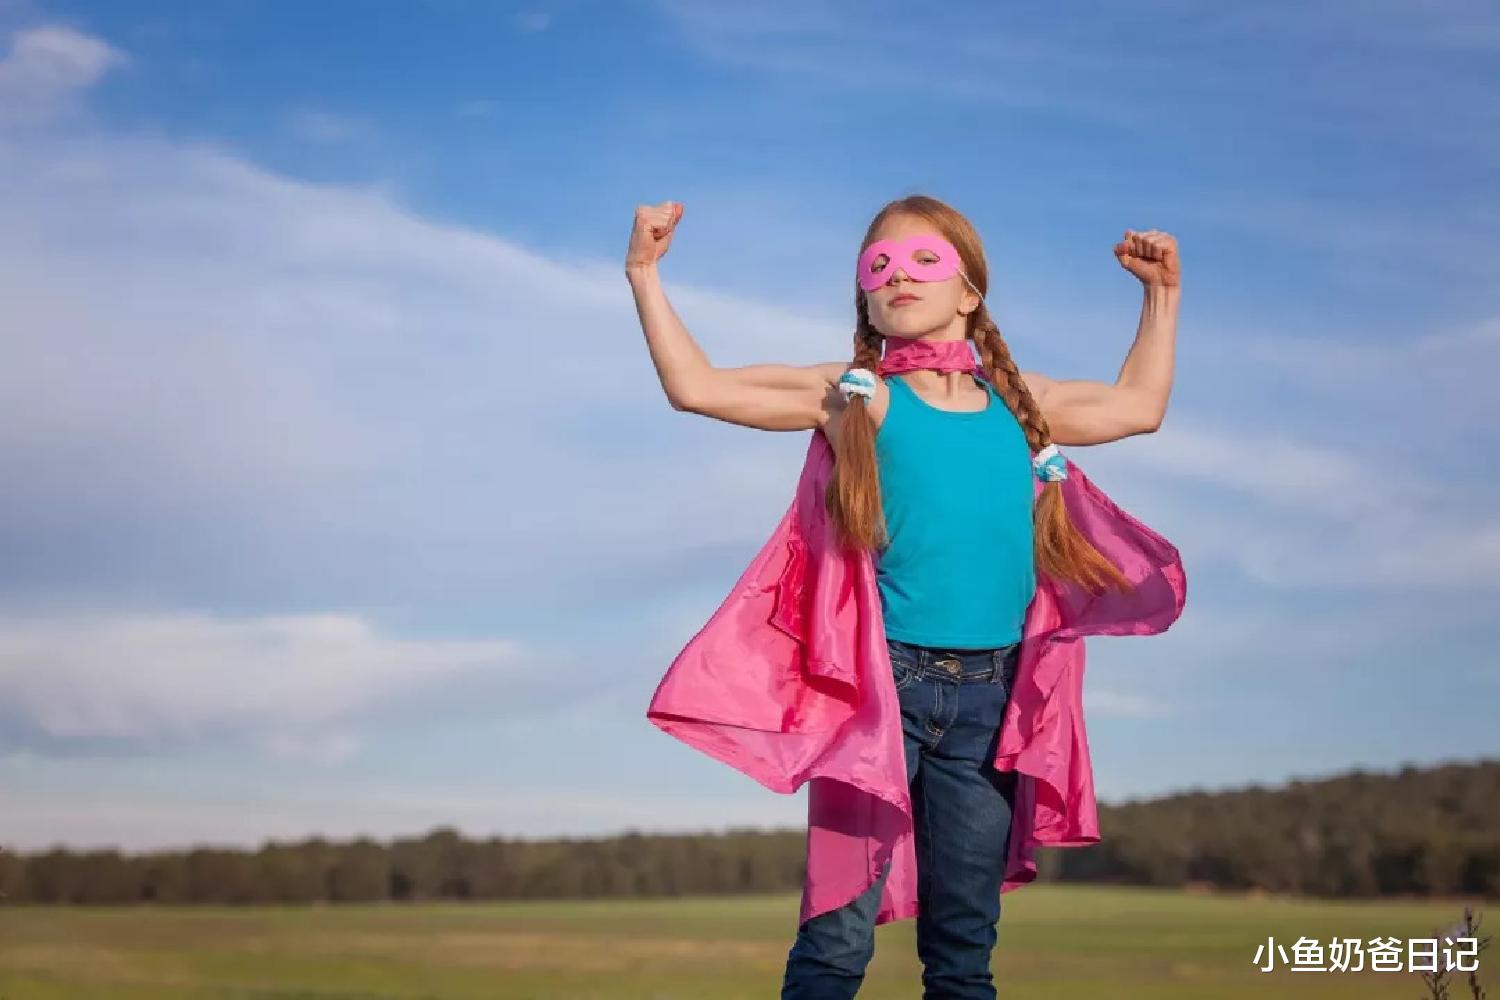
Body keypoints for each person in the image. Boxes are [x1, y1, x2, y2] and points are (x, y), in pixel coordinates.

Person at [625, 193, 1180, 999]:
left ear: (969, 291)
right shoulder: (856, 394)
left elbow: (1139, 407)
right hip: (880, 695)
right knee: (836, 942)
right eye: (878, 266)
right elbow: (697, 386)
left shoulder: (1022, 405)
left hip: (993, 702)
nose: (898, 276)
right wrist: (644, 273)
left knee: (963, 953)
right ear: (865, 295)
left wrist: (1161, 294)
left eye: (925, 260)